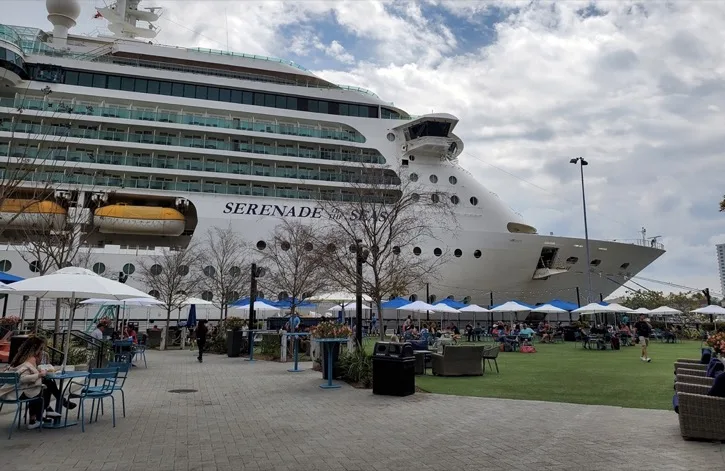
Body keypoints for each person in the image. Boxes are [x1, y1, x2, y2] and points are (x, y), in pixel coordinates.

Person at [0, 336, 59, 428]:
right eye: (40, 348)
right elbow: (23, 378)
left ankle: (43, 413)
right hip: (18, 393)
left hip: (10, 392)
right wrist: (40, 375)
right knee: (43, 389)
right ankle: (40, 417)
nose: (41, 351)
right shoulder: (31, 360)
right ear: (36, 348)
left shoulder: (18, 357)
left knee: (44, 385)